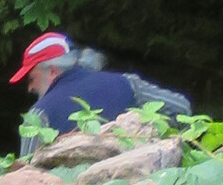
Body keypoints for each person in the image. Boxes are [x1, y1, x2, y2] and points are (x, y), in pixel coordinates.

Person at [11, 30, 192, 154]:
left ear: (52, 71)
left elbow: (27, 175)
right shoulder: (127, 83)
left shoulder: (38, 115)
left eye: (31, 79)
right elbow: (182, 109)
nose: (30, 88)